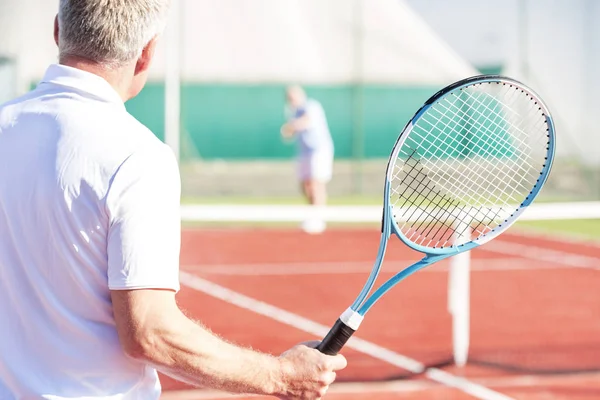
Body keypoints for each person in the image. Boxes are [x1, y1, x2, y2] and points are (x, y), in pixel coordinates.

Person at [0, 1, 346, 399]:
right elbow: (149, 332)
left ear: (59, 30)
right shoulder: (137, 157)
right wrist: (280, 375)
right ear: (147, 51)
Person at [281, 86, 335, 234]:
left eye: (293, 96)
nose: (291, 100)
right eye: (289, 98)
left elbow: (306, 121)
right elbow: (291, 132)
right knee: (305, 185)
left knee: (316, 183)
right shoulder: (294, 112)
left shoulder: (311, 105)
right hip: (305, 152)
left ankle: (319, 219)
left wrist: (291, 127)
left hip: (319, 150)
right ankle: (313, 215)